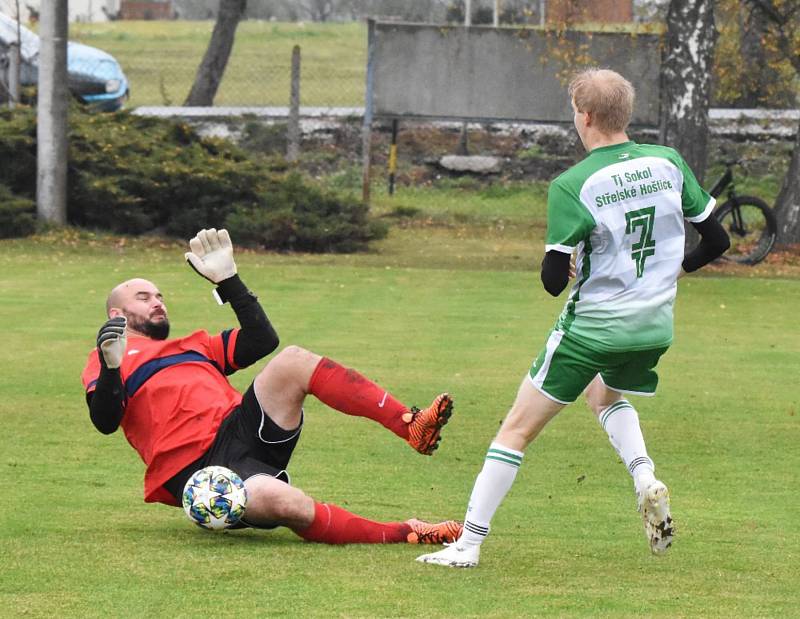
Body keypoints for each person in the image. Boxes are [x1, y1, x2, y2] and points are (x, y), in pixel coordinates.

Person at [417, 68, 730, 568]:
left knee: (514, 430)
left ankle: (468, 544)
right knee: (604, 395)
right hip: (653, 326)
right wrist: (673, 273)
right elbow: (718, 240)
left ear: (584, 117)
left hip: (594, 329)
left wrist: (569, 257)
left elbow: (550, 281)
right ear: (623, 114)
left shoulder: (573, 184)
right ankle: (645, 477)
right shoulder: (667, 162)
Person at [82, 228, 462, 545]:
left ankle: (410, 425)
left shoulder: (194, 345)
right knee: (287, 504)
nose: (158, 302)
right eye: (144, 297)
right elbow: (105, 419)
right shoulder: (107, 358)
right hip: (200, 473)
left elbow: (262, 340)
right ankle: (407, 532)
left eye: (160, 296)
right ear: (117, 314)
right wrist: (111, 367)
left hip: (243, 428)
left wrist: (229, 281)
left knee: (293, 360)